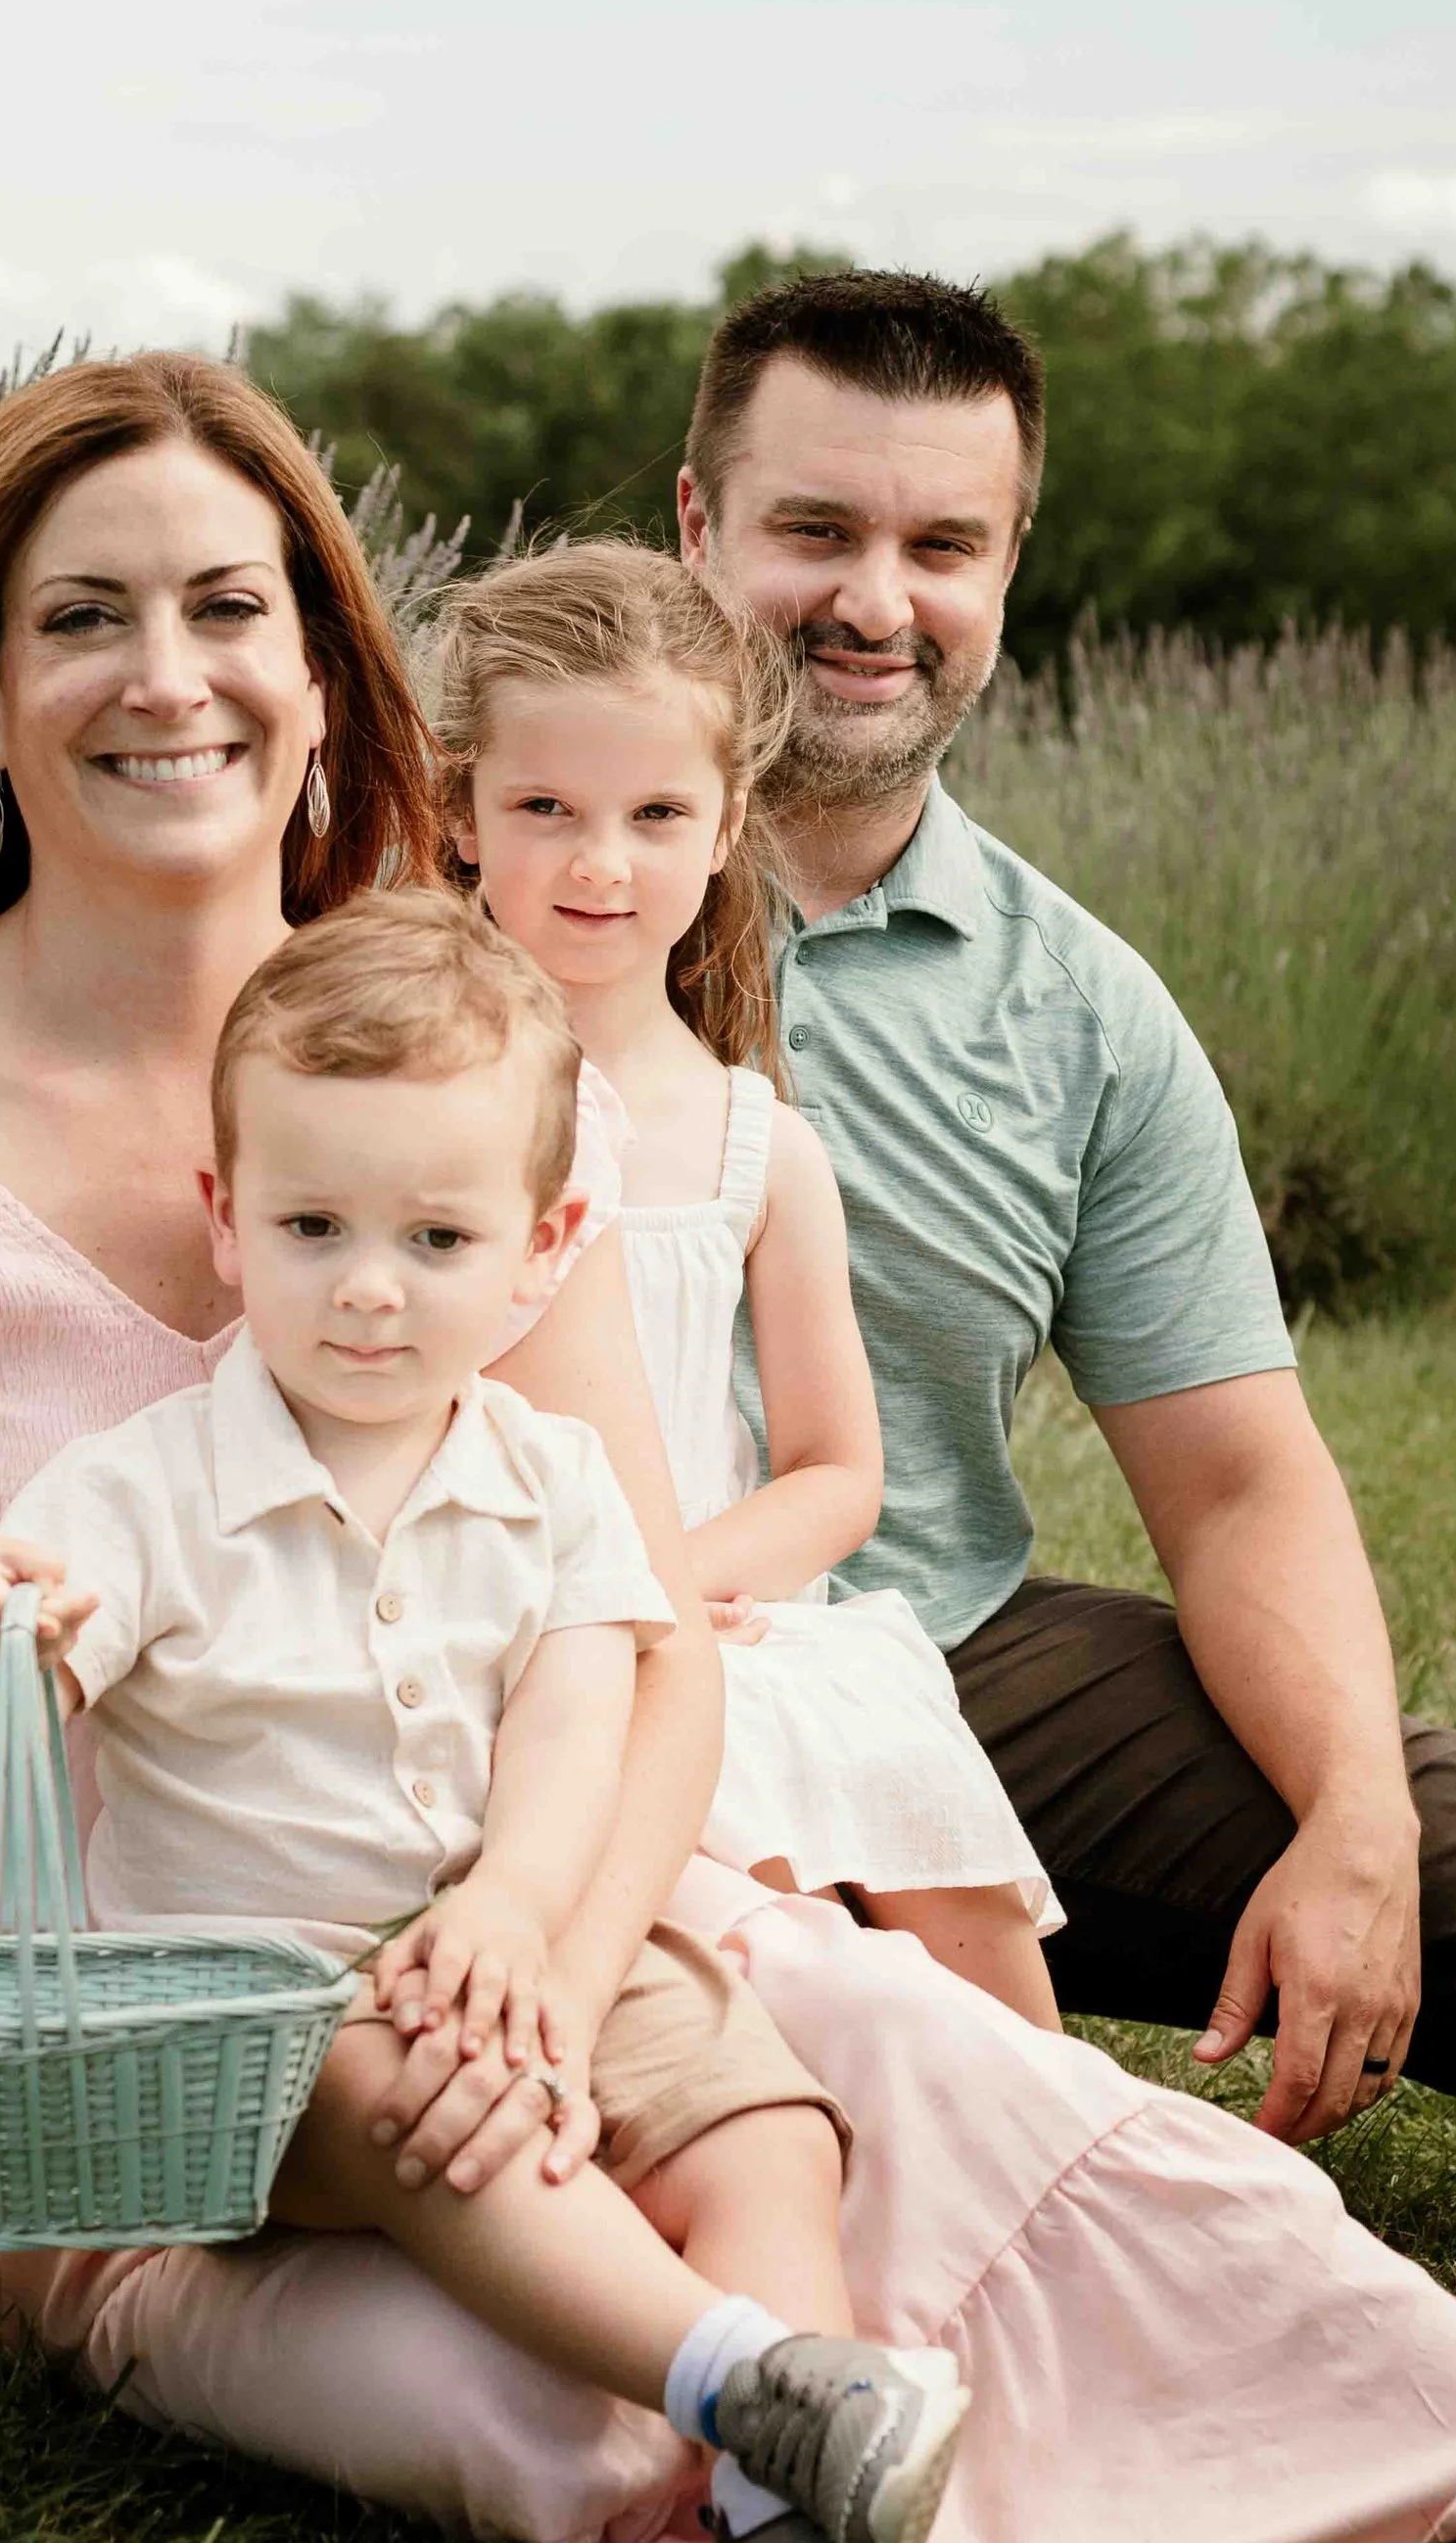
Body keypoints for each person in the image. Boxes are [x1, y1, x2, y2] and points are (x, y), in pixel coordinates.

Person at [0, 349, 1456, 2543]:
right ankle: (818, 2517)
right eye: (84, 616)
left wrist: (545, 1934)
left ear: (327, 683)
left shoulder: (451, 1062)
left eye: (233, 603)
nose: (167, 672)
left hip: (507, 1891)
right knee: (523, 2350)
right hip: (85, 2014)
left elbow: (636, 1637)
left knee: (904, 2081)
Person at [677, 263, 1456, 2240]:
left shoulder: (1078, 1011)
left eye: (940, 545)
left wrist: (1353, 1825)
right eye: (814, 532)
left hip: (921, 1661)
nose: (873, 602)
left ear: (1008, 570)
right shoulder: (460, 875)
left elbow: (1238, 1475)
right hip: (541, 1671)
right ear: (696, 529)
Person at [0, 890, 1016, 2543]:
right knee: (426, 2103)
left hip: (500, 1935)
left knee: (766, 2122)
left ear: (541, 1248)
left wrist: (518, 1912)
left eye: (436, 1236)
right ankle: (765, 2385)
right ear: (225, 1219)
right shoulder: (145, 1488)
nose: (367, 1283)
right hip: (244, 2017)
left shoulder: (552, 1473)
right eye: (313, 1225)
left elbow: (586, 1707)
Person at [430, 538, 1060, 2028]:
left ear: (726, 827)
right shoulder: (410, 1104)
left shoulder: (751, 1144)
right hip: (489, 1610)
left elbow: (842, 1474)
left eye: (656, 813)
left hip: (710, 1597)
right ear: (460, 810)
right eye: (544, 809)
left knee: (859, 1715)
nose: (601, 861)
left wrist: (680, 1579)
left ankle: (1061, 2116)